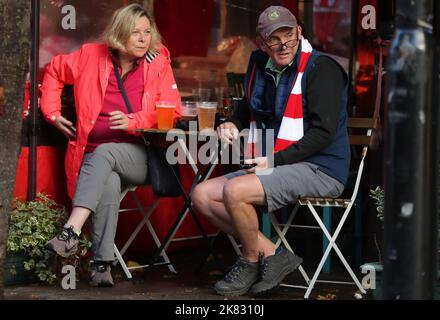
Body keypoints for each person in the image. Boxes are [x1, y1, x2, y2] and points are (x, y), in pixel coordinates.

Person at [192, 5, 350, 296]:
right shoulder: (260, 64)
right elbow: (246, 108)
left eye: (288, 35)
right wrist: (230, 122)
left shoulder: (321, 69)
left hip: (321, 168)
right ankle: (274, 255)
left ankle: (250, 260)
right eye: (273, 39)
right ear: (262, 42)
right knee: (201, 195)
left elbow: (323, 134)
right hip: (279, 161)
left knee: (235, 191)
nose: (283, 45)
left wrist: (275, 159)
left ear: (299, 32)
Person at [41, 4, 181, 287]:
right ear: (119, 35)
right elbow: (54, 70)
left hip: (142, 157)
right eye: (135, 33)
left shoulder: (157, 63)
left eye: (147, 32)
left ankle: (71, 231)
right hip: (94, 160)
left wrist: (133, 120)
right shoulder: (90, 56)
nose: (143, 39)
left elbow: (172, 111)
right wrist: (53, 114)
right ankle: (102, 265)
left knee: (104, 153)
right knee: (108, 179)